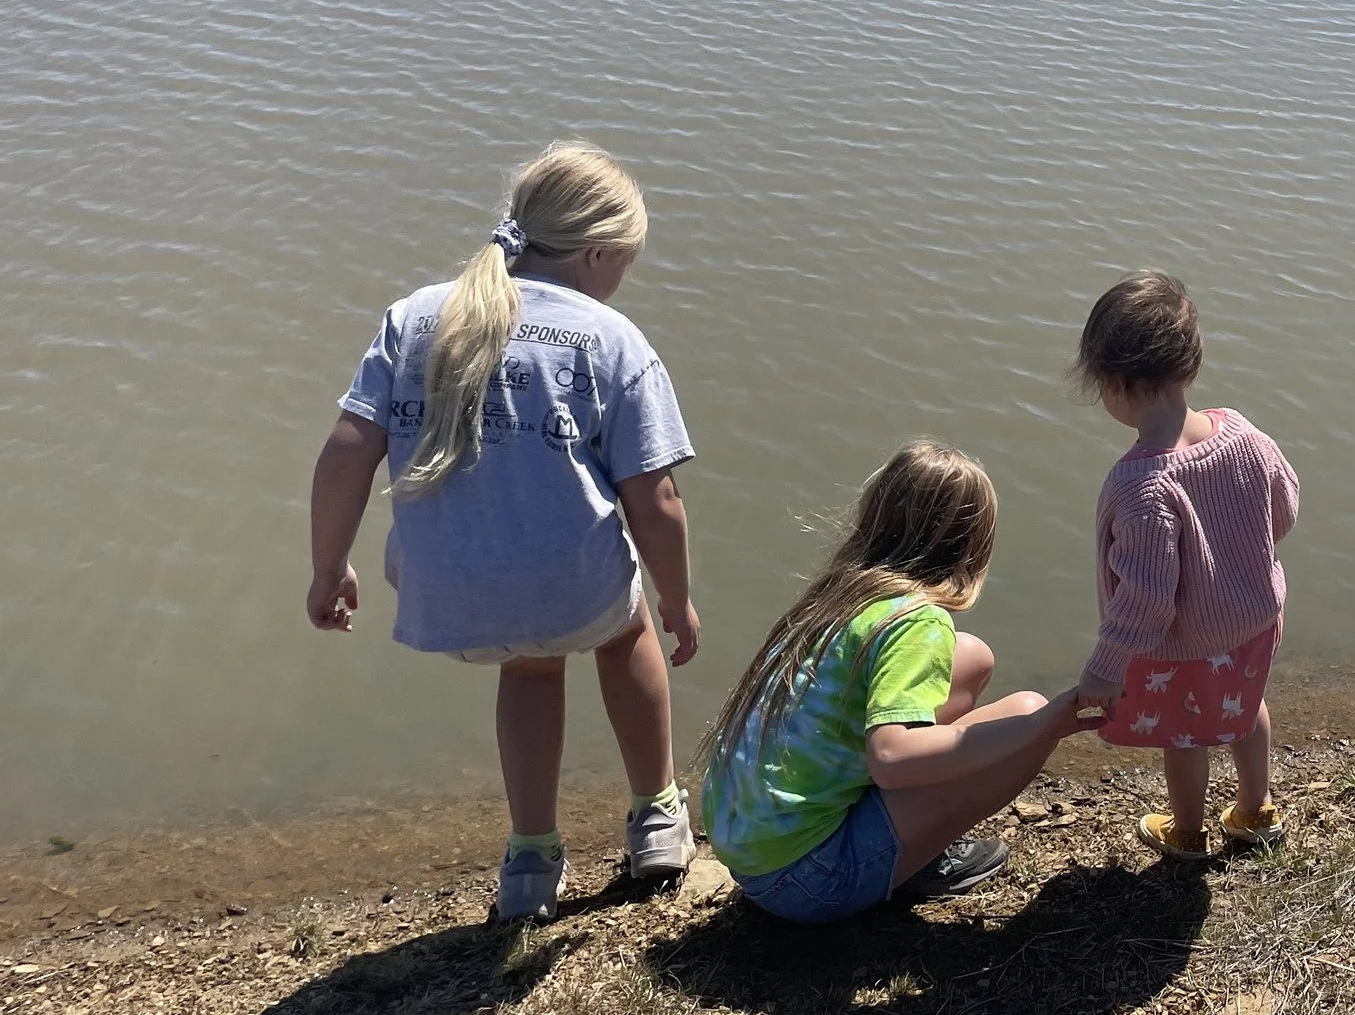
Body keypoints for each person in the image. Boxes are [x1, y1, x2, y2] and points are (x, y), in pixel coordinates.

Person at [306, 142, 702, 921]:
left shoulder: (416, 316)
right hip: (569, 585)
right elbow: (654, 496)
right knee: (628, 628)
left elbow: (347, 449)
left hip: (447, 593)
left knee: (527, 668)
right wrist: (679, 599)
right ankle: (656, 816)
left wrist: (330, 567)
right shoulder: (610, 338)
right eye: (624, 259)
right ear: (596, 253)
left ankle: (530, 857)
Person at [700, 442, 1089, 921]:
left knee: (970, 658)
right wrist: (1043, 727)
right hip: (807, 880)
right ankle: (926, 855)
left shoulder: (841, 594)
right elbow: (892, 760)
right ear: (970, 547)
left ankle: (884, 832)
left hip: (748, 846)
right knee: (1028, 709)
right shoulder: (916, 623)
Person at [1074, 272, 1300, 860]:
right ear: (1189, 366)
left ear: (1116, 383)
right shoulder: (1244, 435)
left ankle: (1188, 831)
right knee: (1246, 712)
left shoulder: (1140, 486)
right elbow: (1285, 507)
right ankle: (1255, 812)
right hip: (1251, 625)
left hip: (1183, 647)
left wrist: (1105, 668)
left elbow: (1145, 601)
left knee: (1184, 734)